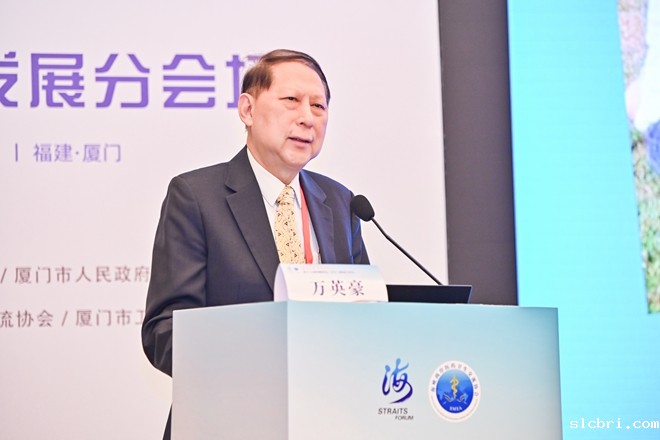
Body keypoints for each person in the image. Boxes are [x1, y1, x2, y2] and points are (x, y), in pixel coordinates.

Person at [141, 49, 370, 439]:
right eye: (291, 100)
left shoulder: (341, 202)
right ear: (247, 109)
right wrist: (262, 358)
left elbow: (365, 317)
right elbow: (165, 332)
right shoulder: (196, 197)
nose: (307, 117)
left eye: (318, 106)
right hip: (226, 423)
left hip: (324, 420)